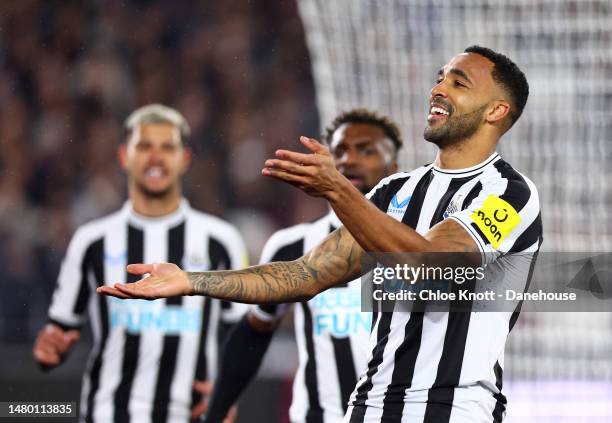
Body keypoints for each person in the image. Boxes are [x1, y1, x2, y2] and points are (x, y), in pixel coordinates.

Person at [99, 46, 542, 423]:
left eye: (458, 83)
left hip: (454, 409)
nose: (438, 89)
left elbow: (432, 266)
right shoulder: (395, 192)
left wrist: (337, 189)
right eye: (440, 78)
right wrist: (192, 280)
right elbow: (305, 275)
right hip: (368, 407)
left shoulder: (510, 194)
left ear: (496, 111)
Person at [33, 104, 246, 423]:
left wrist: (229, 392)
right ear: (124, 157)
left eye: (167, 147)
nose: (156, 157)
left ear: (184, 159)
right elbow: (60, 330)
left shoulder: (222, 240)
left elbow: (242, 332)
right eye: (144, 146)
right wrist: (50, 349)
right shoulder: (92, 240)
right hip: (108, 414)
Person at [202, 109, 403, 423]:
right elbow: (255, 331)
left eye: (366, 150)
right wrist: (217, 409)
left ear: (393, 168)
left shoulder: (418, 247)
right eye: (339, 151)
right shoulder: (292, 246)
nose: (349, 160)